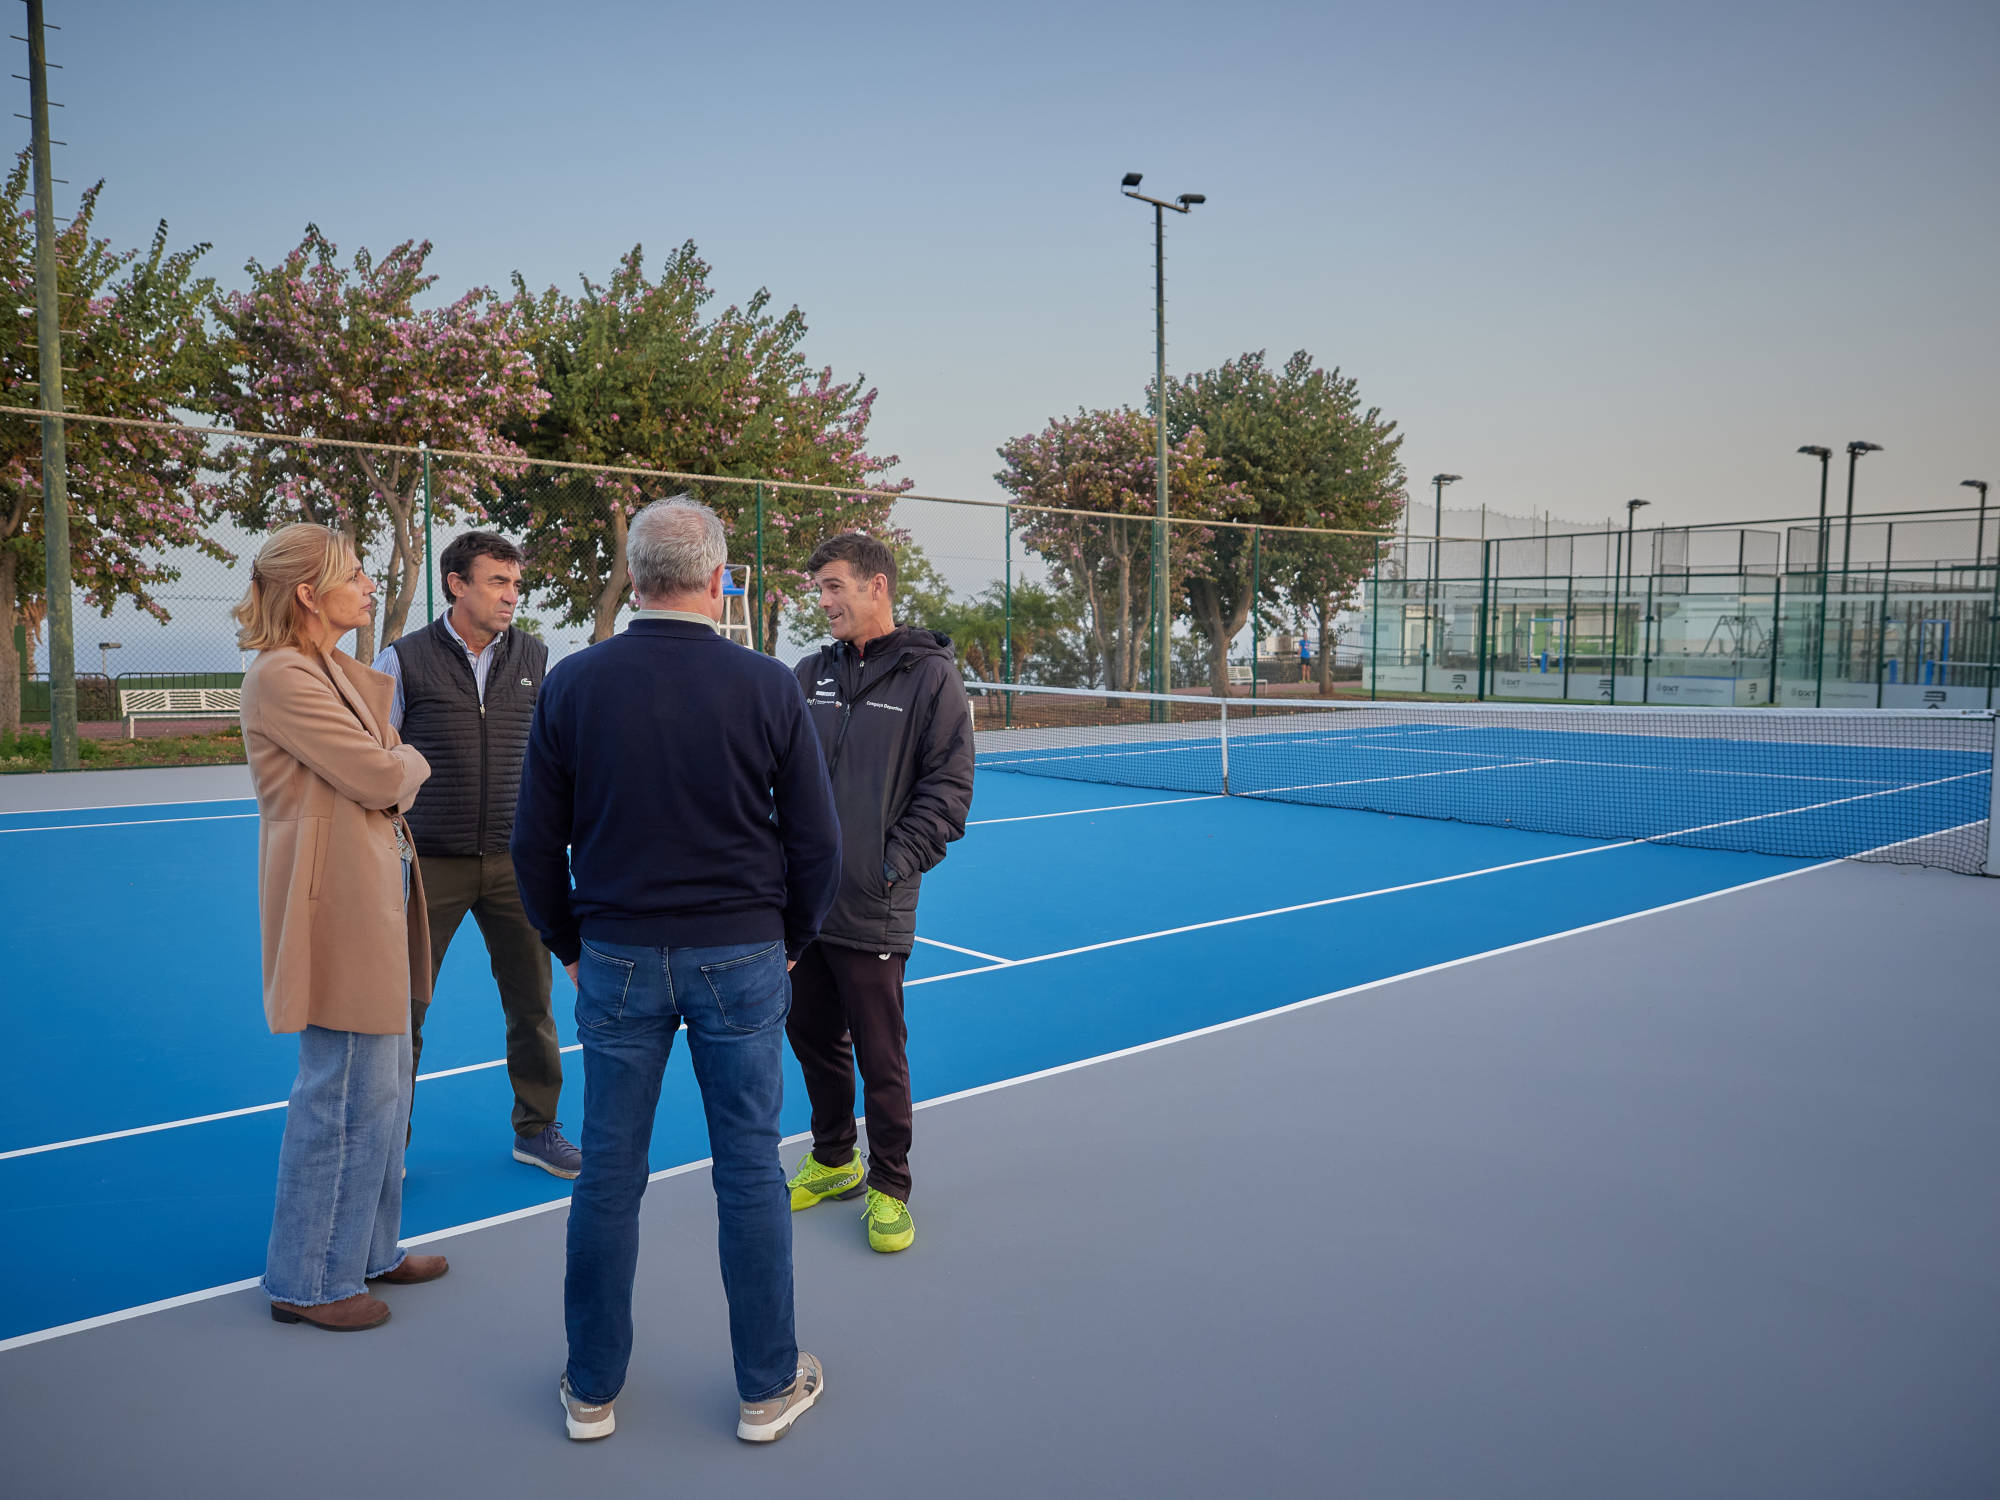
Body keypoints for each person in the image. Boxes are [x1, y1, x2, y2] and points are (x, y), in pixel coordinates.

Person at [512, 495, 841, 1445]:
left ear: (636, 574)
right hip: (741, 953)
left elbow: (535, 843)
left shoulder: (575, 683)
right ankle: (766, 1387)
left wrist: (569, 944)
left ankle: (591, 1390)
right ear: (717, 579)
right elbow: (814, 842)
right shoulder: (769, 684)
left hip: (614, 957)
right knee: (749, 1168)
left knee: (609, 1171)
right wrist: (791, 938)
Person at [235, 522, 449, 1333]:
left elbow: (387, 758)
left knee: (386, 1087)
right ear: (306, 593)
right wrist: (407, 764)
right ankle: (309, 1278)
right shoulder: (283, 677)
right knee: (345, 1093)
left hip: (377, 895)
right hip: (337, 909)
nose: (368, 587)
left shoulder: (328, 668)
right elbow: (379, 769)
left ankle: (368, 1248)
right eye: (354, 576)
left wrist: (399, 763)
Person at [784, 532, 975, 1255]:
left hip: (874, 904)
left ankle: (889, 1186)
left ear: (876, 587)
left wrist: (890, 865)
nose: (824, 601)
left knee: (879, 1054)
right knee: (810, 1040)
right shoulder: (806, 674)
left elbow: (948, 792)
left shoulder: (930, 681)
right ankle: (834, 1159)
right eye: (820, 589)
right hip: (802, 909)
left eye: (834, 586)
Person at [372, 531, 575, 1178]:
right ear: (457, 584)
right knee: (403, 1009)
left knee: (533, 1004)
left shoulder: (536, 657)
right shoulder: (400, 660)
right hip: (429, 864)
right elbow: (376, 758)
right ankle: (386, 1144)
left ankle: (537, 1129)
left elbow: (556, 756)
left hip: (517, 863)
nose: (512, 595)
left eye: (516, 583)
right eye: (498, 582)